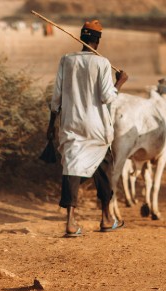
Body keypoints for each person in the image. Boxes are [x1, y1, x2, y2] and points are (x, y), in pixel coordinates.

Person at [47, 19, 129, 237]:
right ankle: (105, 218)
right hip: (97, 127)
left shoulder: (66, 60)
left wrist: (51, 125)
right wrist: (120, 81)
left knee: (71, 170)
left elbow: (56, 98)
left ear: (82, 38)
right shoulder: (102, 63)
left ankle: (71, 223)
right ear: (98, 41)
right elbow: (107, 97)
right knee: (104, 170)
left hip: (71, 125)